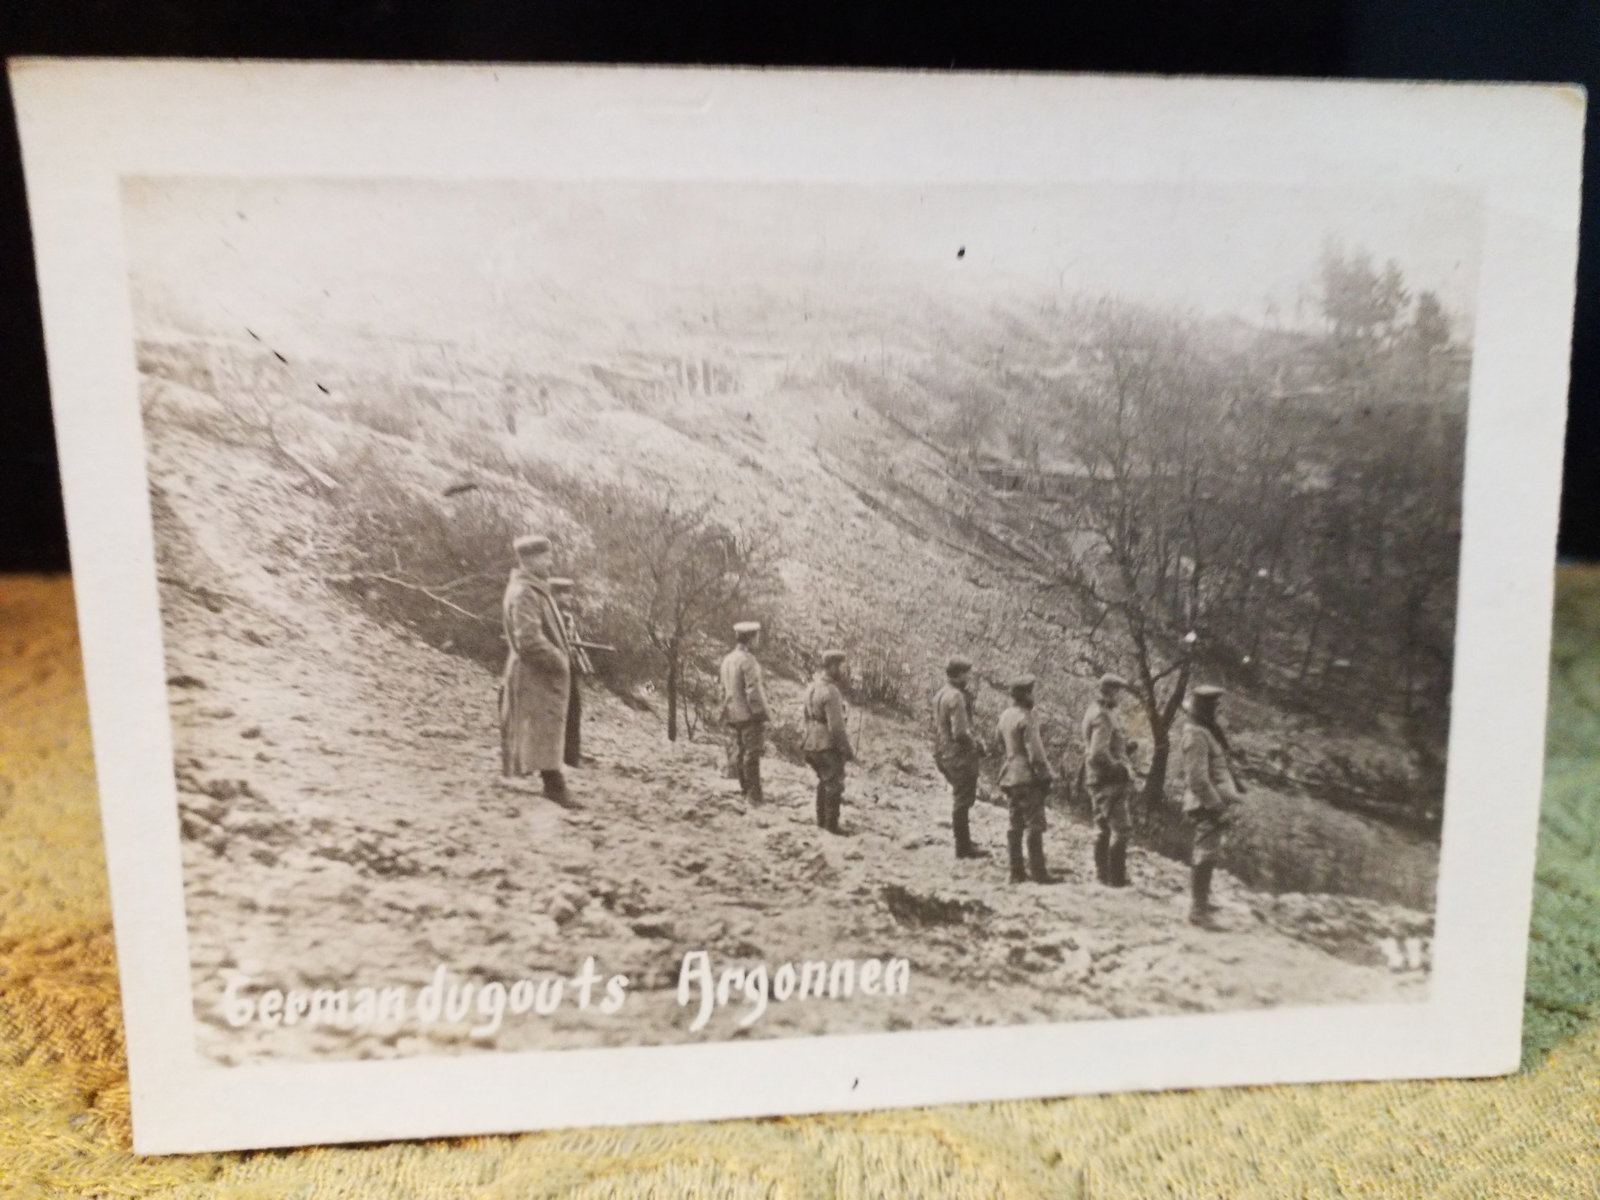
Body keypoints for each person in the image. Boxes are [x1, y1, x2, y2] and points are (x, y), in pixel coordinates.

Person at [499, 535, 578, 808]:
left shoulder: (532, 588)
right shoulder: (525, 592)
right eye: (546, 557)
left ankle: (553, 783)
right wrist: (559, 659)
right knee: (543, 728)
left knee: (544, 729)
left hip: (537, 674)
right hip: (535, 674)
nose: (551, 561)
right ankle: (554, 788)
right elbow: (529, 641)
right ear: (530, 560)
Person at [1179, 685, 1246, 928]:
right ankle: (1197, 910)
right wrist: (1218, 807)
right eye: (1214, 706)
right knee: (1205, 853)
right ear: (1205, 709)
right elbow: (1197, 779)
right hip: (1206, 804)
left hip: (1212, 801)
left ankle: (1202, 900)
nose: (1218, 711)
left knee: (1210, 852)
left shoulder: (1205, 731)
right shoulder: (1195, 735)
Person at [997, 675, 1054, 884]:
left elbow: (999, 741)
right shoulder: (1027, 718)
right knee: (1035, 824)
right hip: (1027, 777)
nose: (1033, 696)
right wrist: (1045, 776)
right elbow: (1036, 754)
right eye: (1031, 692)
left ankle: (1016, 872)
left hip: (1009, 775)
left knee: (1015, 824)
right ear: (1025, 695)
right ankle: (1039, 874)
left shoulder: (1005, 716)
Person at [1081, 673, 1136, 887]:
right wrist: (1119, 768)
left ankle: (1103, 875)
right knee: (1121, 829)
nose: (1120, 696)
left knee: (1102, 826)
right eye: (1118, 691)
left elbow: (1102, 747)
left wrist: (1124, 748)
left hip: (1096, 777)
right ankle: (1116, 878)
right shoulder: (1103, 715)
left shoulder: (1094, 710)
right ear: (1111, 691)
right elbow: (1098, 753)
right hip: (1108, 780)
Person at [933, 657, 988, 859]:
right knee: (963, 799)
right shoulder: (956, 696)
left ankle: (964, 841)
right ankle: (963, 847)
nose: (969, 677)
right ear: (959, 674)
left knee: (960, 796)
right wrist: (977, 747)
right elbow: (961, 733)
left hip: (942, 751)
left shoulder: (941, 693)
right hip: (958, 754)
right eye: (966, 673)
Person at [802, 649, 855, 834]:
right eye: (841, 667)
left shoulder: (812, 686)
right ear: (832, 667)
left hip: (811, 742)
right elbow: (837, 728)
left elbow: (806, 717)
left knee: (824, 782)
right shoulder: (831, 691)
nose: (844, 671)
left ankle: (821, 822)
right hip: (826, 744)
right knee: (834, 785)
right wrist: (847, 750)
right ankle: (831, 827)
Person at [719, 621, 770, 804]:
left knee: (740, 753)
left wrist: (724, 712)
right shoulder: (748, 661)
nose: (758, 639)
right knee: (752, 756)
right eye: (757, 636)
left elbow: (722, 690)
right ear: (751, 638)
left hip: (733, 714)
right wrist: (761, 714)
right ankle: (754, 797)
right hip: (749, 715)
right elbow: (753, 691)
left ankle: (744, 791)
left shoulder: (727, 659)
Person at [548, 578, 586, 770]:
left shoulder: (567, 616)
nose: (568, 597)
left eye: (568, 593)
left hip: (567, 666)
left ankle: (570, 756)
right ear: (554, 594)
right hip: (549, 666)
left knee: (573, 709)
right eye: (564, 593)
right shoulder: (547, 613)